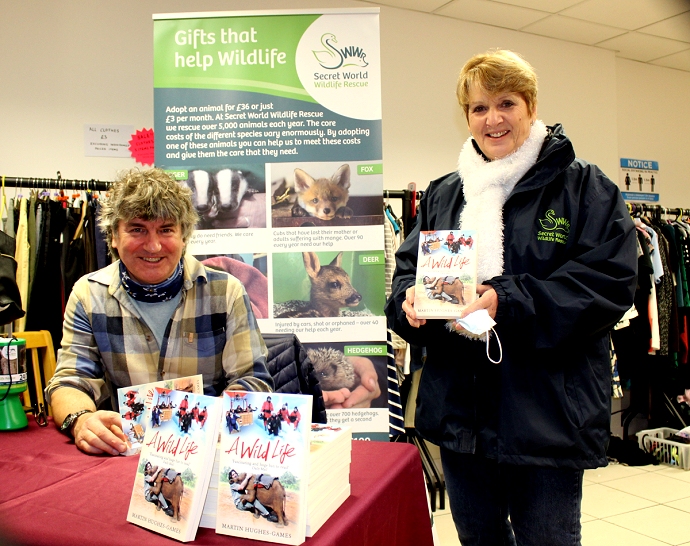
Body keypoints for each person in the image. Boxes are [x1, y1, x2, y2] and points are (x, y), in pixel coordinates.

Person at [385, 49, 637, 546]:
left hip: (545, 417)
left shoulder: (586, 189)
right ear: (466, 117)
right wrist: (408, 301)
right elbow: (409, 272)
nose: (492, 119)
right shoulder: (445, 194)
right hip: (462, 417)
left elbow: (608, 284)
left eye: (506, 103)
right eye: (479, 108)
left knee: (547, 539)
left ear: (531, 105)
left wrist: (508, 300)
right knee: (478, 538)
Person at [45, 168, 273, 456]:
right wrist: (81, 421)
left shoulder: (226, 292)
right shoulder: (88, 295)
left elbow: (252, 381)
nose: (153, 246)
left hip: (206, 454)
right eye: (137, 229)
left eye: (166, 230)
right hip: (121, 455)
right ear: (113, 236)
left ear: (184, 236)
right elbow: (70, 381)